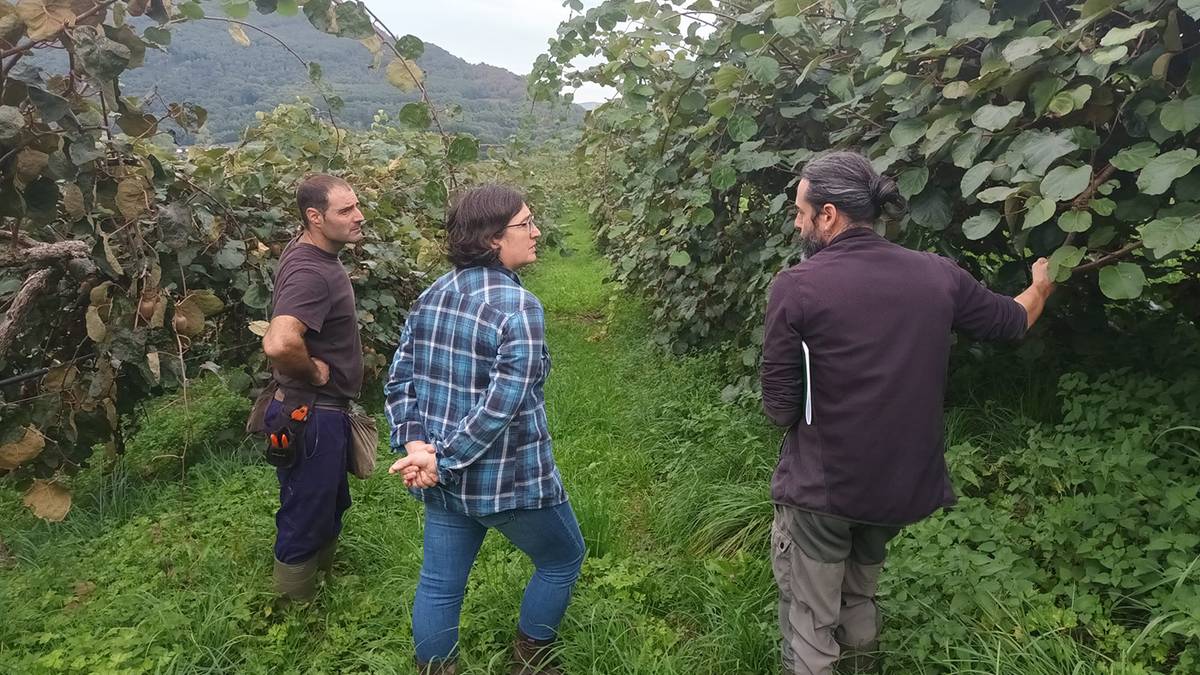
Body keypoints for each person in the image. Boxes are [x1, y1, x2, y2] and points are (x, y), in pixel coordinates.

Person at [760, 151, 1055, 675]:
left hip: (822, 490)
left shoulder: (798, 286)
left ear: (828, 214)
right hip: (897, 484)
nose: (797, 219)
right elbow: (1011, 322)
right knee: (860, 599)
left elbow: (780, 407)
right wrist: (1040, 285)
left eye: (801, 209)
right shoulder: (936, 275)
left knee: (810, 620)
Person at [385, 184, 584, 675]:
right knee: (563, 557)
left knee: (439, 582)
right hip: (509, 478)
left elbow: (399, 378)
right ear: (494, 237)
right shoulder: (519, 307)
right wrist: (441, 457)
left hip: (444, 477)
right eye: (526, 224)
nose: (536, 232)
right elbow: (503, 403)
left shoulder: (434, 292)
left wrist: (420, 449)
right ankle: (531, 660)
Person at [260, 174, 366, 601]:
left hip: (321, 413)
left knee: (327, 502)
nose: (359, 217)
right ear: (314, 217)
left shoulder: (308, 250)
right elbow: (279, 341)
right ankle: (294, 614)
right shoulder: (311, 273)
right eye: (346, 211)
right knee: (306, 511)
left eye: (357, 206)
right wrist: (313, 372)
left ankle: (319, 582)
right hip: (312, 413)